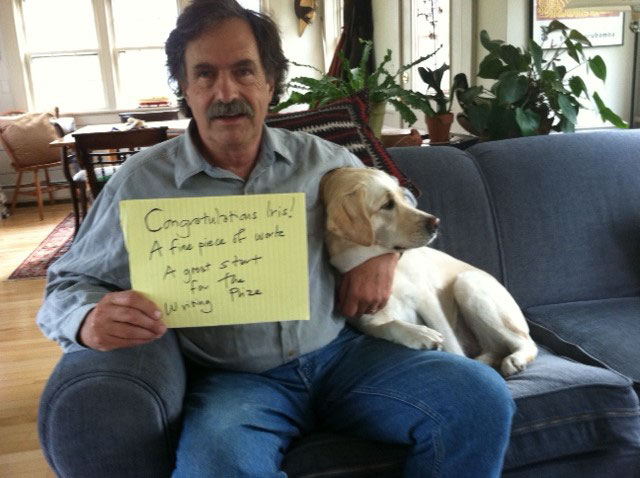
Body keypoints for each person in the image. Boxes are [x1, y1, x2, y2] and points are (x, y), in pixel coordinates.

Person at [37, 1, 515, 476]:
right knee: (217, 466)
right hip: (235, 382)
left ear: (270, 82)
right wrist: (85, 319)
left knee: (480, 399)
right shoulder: (141, 182)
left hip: (347, 358)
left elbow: (398, 197)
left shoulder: (322, 159)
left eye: (244, 71)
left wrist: (383, 255)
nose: (226, 91)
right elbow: (67, 282)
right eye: (204, 74)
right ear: (185, 88)